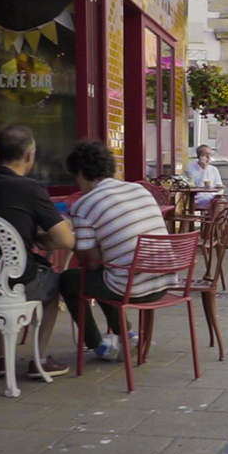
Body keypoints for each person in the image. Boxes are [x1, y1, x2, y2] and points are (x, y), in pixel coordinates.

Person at [0, 125, 75, 378]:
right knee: (53, 285)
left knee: (6, 270)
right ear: (30, 155)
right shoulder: (30, 189)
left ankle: (0, 359)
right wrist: (47, 238)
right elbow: (65, 240)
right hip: (14, 283)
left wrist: (30, 236)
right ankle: (39, 359)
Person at [59, 141, 176, 357]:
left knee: (70, 280)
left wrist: (73, 240)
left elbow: (91, 264)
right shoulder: (139, 189)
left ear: (82, 173)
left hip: (131, 288)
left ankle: (98, 345)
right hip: (163, 282)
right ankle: (127, 334)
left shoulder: (84, 205)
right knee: (108, 275)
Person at [187, 144, 223, 208]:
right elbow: (199, 186)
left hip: (212, 196)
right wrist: (204, 169)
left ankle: (218, 217)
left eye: (210, 154)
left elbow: (219, 185)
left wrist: (218, 192)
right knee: (216, 203)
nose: (209, 157)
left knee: (223, 202)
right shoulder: (191, 169)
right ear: (200, 156)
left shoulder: (213, 169)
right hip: (198, 197)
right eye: (206, 154)